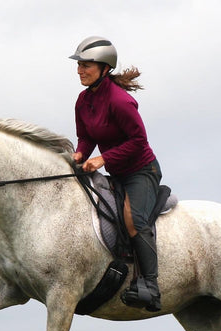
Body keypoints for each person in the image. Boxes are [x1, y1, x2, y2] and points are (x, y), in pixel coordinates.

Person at [69, 36, 162, 312]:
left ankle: (152, 286)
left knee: (133, 222)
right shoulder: (83, 101)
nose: (80, 70)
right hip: (117, 173)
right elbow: (86, 137)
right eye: (79, 65)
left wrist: (102, 159)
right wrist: (79, 155)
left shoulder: (120, 102)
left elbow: (138, 141)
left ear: (104, 68)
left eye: (86, 65)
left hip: (141, 171)